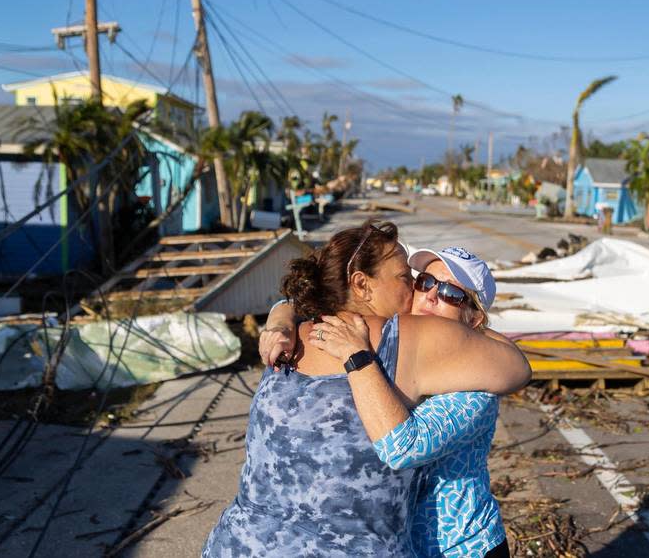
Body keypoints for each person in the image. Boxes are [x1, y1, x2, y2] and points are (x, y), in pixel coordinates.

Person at [202, 221, 530, 557]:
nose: (427, 293)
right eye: (418, 280)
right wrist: (282, 315)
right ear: (362, 284)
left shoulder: (295, 340)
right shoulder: (409, 339)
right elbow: (517, 366)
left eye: (451, 293)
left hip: (460, 546)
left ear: (474, 319)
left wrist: (292, 321)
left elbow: (403, 446)